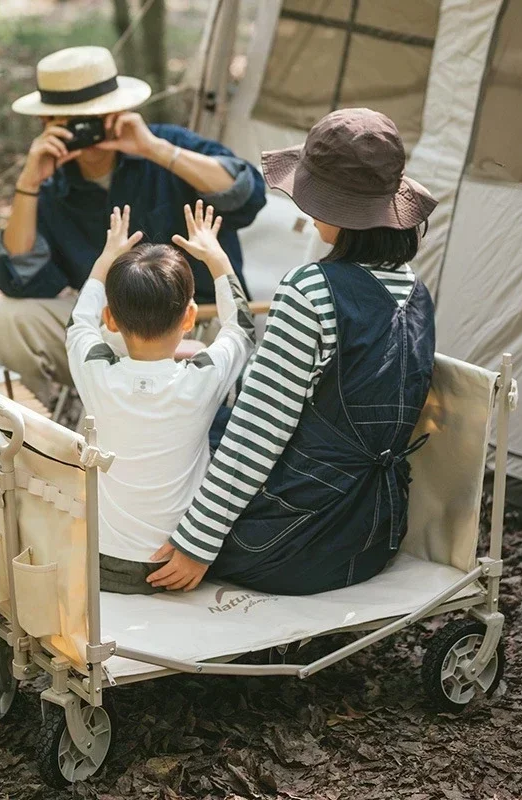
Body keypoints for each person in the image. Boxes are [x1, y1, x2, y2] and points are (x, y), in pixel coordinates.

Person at [147, 108, 439, 595]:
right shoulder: (416, 291)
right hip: (373, 533)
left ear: (332, 206)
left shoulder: (311, 289)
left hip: (290, 542)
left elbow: (258, 431)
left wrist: (197, 543)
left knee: (161, 467)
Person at [0, 45, 265, 397]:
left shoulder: (167, 145)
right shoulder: (51, 185)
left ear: (120, 110)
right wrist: (27, 186)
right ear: (46, 123)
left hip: (194, 325)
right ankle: (27, 442)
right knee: (6, 317)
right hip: (108, 328)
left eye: (95, 118)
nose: (86, 131)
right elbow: (19, 280)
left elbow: (248, 196)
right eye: (72, 122)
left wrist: (155, 150)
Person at [66, 202, 254, 595]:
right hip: (178, 560)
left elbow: (79, 322)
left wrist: (105, 259)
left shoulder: (96, 373)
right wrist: (217, 258)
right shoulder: (201, 380)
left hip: (100, 562)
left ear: (112, 321)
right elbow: (240, 328)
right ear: (188, 319)